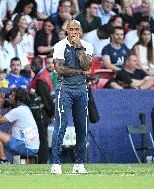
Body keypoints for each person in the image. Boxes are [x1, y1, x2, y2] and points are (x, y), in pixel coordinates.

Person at [51, 20, 93, 174]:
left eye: (76, 29)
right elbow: (60, 69)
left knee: (82, 127)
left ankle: (79, 163)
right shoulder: (59, 46)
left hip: (81, 90)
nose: (74, 32)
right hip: (65, 89)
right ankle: (56, 163)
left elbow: (87, 65)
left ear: (80, 31)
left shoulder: (87, 46)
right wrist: (80, 72)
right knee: (61, 125)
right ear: (66, 31)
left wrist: (79, 47)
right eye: (71, 29)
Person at [0, 88, 40, 164]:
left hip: (27, 147)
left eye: (12, 95)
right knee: (9, 132)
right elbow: (10, 131)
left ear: (18, 99)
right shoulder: (25, 109)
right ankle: (18, 162)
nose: (9, 96)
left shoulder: (18, 111)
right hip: (33, 146)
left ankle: (4, 161)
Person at [28, 56, 55, 163]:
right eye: (32, 65)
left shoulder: (40, 79)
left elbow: (46, 99)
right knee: (39, 138)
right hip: (40, 113)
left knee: (42, 138)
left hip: (41, 114)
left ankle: (42, 162)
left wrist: (51, 113)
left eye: (34, 65)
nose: (33, 67)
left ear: (39, 64)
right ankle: (38, 161)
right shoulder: (42, 76)